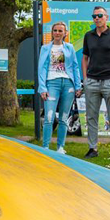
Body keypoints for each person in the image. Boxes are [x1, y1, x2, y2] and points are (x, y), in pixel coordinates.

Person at [81, 5, 110, 159]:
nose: (97, 18)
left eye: (100, 16)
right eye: (94, 16)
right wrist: (85, 79)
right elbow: (85, 58)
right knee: (91, 117)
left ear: (106, 17)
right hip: (92, 82)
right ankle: (92, 148)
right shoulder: (88, 36)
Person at [36, 22, 82, 153]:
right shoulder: (45, 48)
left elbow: (75, 67)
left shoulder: (70, 48)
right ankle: (45, 147)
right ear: (52, 32)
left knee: (63, 118)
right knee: (49, 117)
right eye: (55, 30)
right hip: (52, 83)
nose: (57, 33)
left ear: (65, 33)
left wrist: (78, 86)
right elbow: (41, 68)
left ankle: (60, 147)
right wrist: (42, 88)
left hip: (68, 84)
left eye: (60, 31)